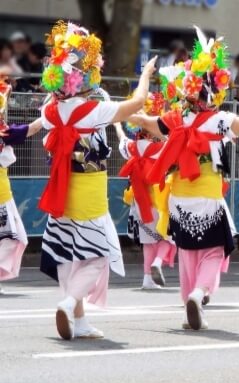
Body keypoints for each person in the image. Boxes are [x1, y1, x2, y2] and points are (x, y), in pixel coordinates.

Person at [131, 26, 239, 331]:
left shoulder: (176, 118)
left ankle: (190, 297)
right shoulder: (219, 120)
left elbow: (140, 118)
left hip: (178, 203)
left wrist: (142, 81)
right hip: (208, 199)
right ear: (214, 92)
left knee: (188, 253)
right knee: (216, 250)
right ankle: (199, 295)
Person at [38, 21, 158, 340]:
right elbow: (135, 104)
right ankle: (68, 302)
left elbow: (40, 123)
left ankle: (79, 320)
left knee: (67, 252)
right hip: (90, 192)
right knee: (97, 255)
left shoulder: (51, 111)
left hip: (61, 192)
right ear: (85, 76)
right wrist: (145, 76)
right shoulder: (91, 110)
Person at [115, 92, 176, 291]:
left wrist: (117, 126)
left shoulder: (133, 148)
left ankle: (147, 278)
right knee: (169, 238)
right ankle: (158, 263)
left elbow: (122, 142)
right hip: (160, 200)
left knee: (149, 242)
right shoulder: (161, 147)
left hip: (141, 204)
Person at [0, 77, 42, 295]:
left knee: (12, 238)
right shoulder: (3, 133)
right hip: (1, 194)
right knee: (13, 238)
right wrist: (54, 110)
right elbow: (34, 128)